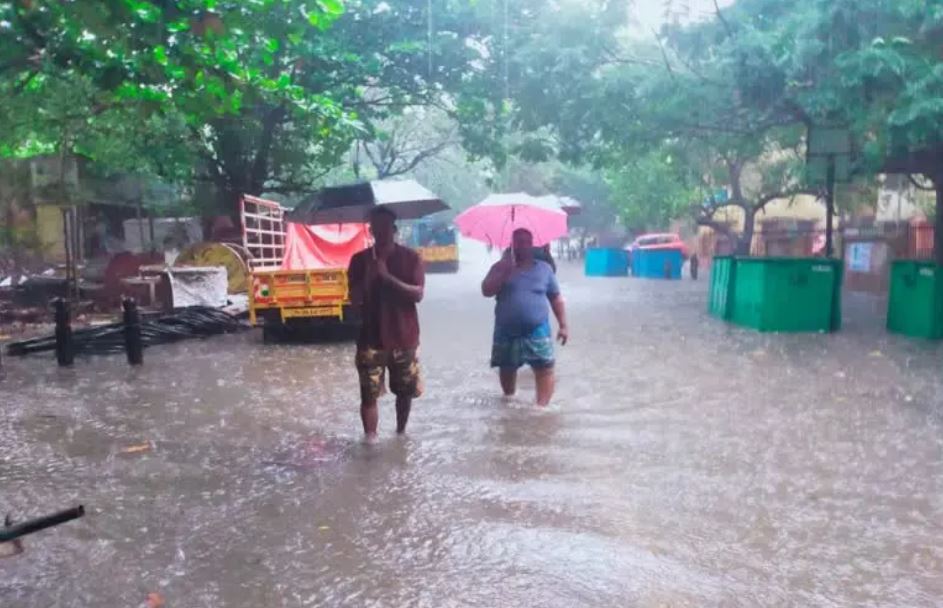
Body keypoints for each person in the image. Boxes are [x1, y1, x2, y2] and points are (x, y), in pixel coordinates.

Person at [347, 207, 425, 442]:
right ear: (371, 231)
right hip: (370, 338)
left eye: (385, 227)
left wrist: (387, 278)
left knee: (405, 393)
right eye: (376, 227)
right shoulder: (359, 261)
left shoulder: (411, 258)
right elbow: (354, 301)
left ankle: (401, 433)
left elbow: (418, 294)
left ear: (394, 230)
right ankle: (370, 440)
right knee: (368, 394)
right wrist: (369, 277)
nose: (381, 232)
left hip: (405, 338)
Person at [482, 228, 569, 406]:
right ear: (511, 245)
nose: (521, 246)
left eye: (525, 242)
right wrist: (504, 272)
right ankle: (509, 403)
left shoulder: (544, 269)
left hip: (537, 330)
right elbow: (486, 291)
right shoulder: (499, 267)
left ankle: (541, 411)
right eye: (517, 242)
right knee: (506, 369)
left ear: (531, 245)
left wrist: (563, 325)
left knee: (545, 368)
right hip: (506, 331)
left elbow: (556, 299)